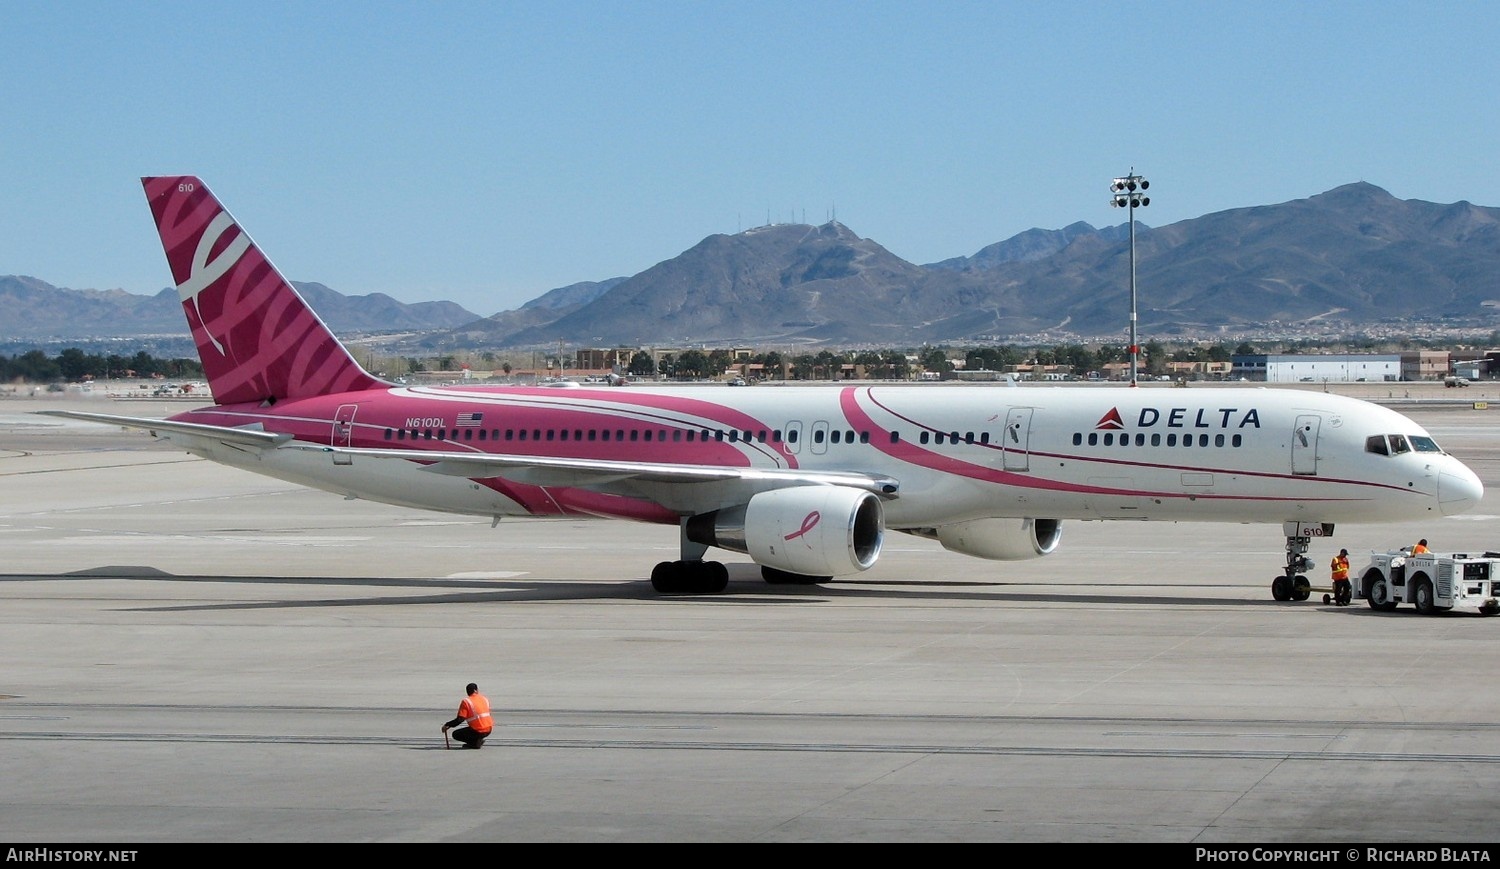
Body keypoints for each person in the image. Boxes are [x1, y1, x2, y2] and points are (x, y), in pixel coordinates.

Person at [441, 682, 493, 750]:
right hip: (489, 729)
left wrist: (447, 725)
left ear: (467, 692)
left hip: (478, 731)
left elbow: (460, 719)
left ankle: (475, 743)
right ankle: (477, 740)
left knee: (456, 734)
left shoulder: (466, 702)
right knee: (473, 729)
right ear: (476, 690)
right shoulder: (484, 699)